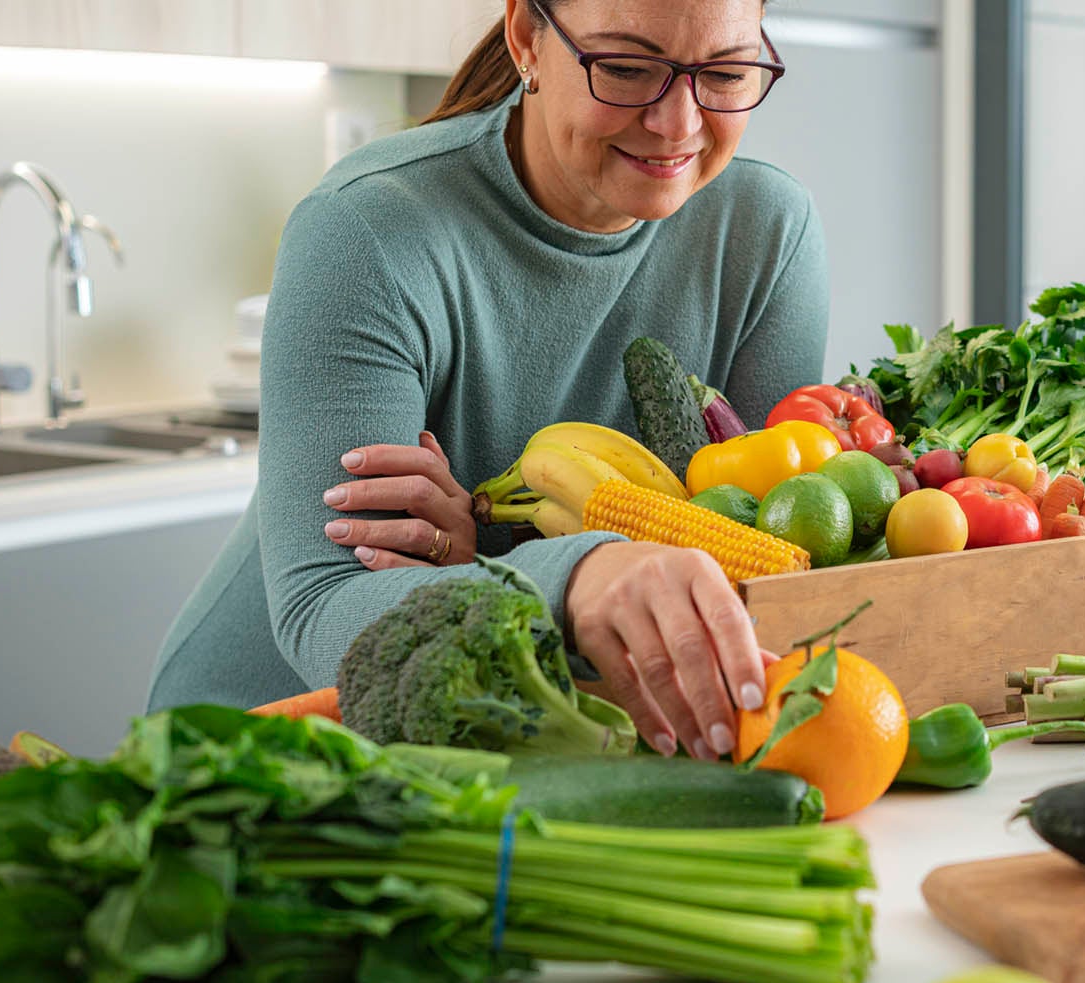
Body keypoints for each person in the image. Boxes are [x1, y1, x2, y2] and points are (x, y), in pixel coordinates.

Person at [146, 0, 825, 765]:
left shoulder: (768, 231)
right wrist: (575, 576)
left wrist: (483, 563)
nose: (676, 123)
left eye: (727, 72)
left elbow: (764, 561)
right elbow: (322, 609)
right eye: (626, 68)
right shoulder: (369, 229)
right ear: (528, 39)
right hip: (272, 745)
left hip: (544, 736)